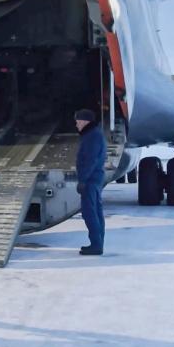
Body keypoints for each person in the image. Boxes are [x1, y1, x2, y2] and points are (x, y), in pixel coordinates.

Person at [74, 108, 107, 256]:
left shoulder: (92, 136)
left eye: (78, 122)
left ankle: (96, 245)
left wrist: (82, 180)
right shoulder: (94, 134)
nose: (77, 125)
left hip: (90, 180)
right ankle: (98, 243)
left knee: (89, 213)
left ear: (85, 121)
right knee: (96, 212)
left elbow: (90, 160)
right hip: (95, 178)